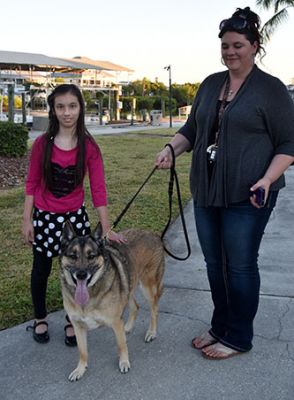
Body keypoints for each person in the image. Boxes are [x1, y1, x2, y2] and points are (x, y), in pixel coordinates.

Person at [155, 7, 294, 359]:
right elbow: (192, 130)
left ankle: (239, 336)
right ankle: (221, 325)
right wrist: (171, 148)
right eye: (225, 46)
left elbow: (289, 143)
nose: (230, 52)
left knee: (241, 265)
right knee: (215, 265)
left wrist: (266, 178)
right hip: (206, 191)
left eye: (238, 45)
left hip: (248, 195)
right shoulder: (210, 83)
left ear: (254, 46)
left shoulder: (271, 90)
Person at [22, 84, 125, 345]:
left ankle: (72, 319)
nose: (67, 112)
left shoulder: (89, 147)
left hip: (75, 219)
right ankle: (40, 318)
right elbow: (32, 183)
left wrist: (106, 226)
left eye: (72, 106)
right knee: (41, 269)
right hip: (45, 218)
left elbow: (98, 188)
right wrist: (27, 220)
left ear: (80, 108)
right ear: (53, 111)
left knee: (79, 269)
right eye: (60, 107)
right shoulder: (41, 145)